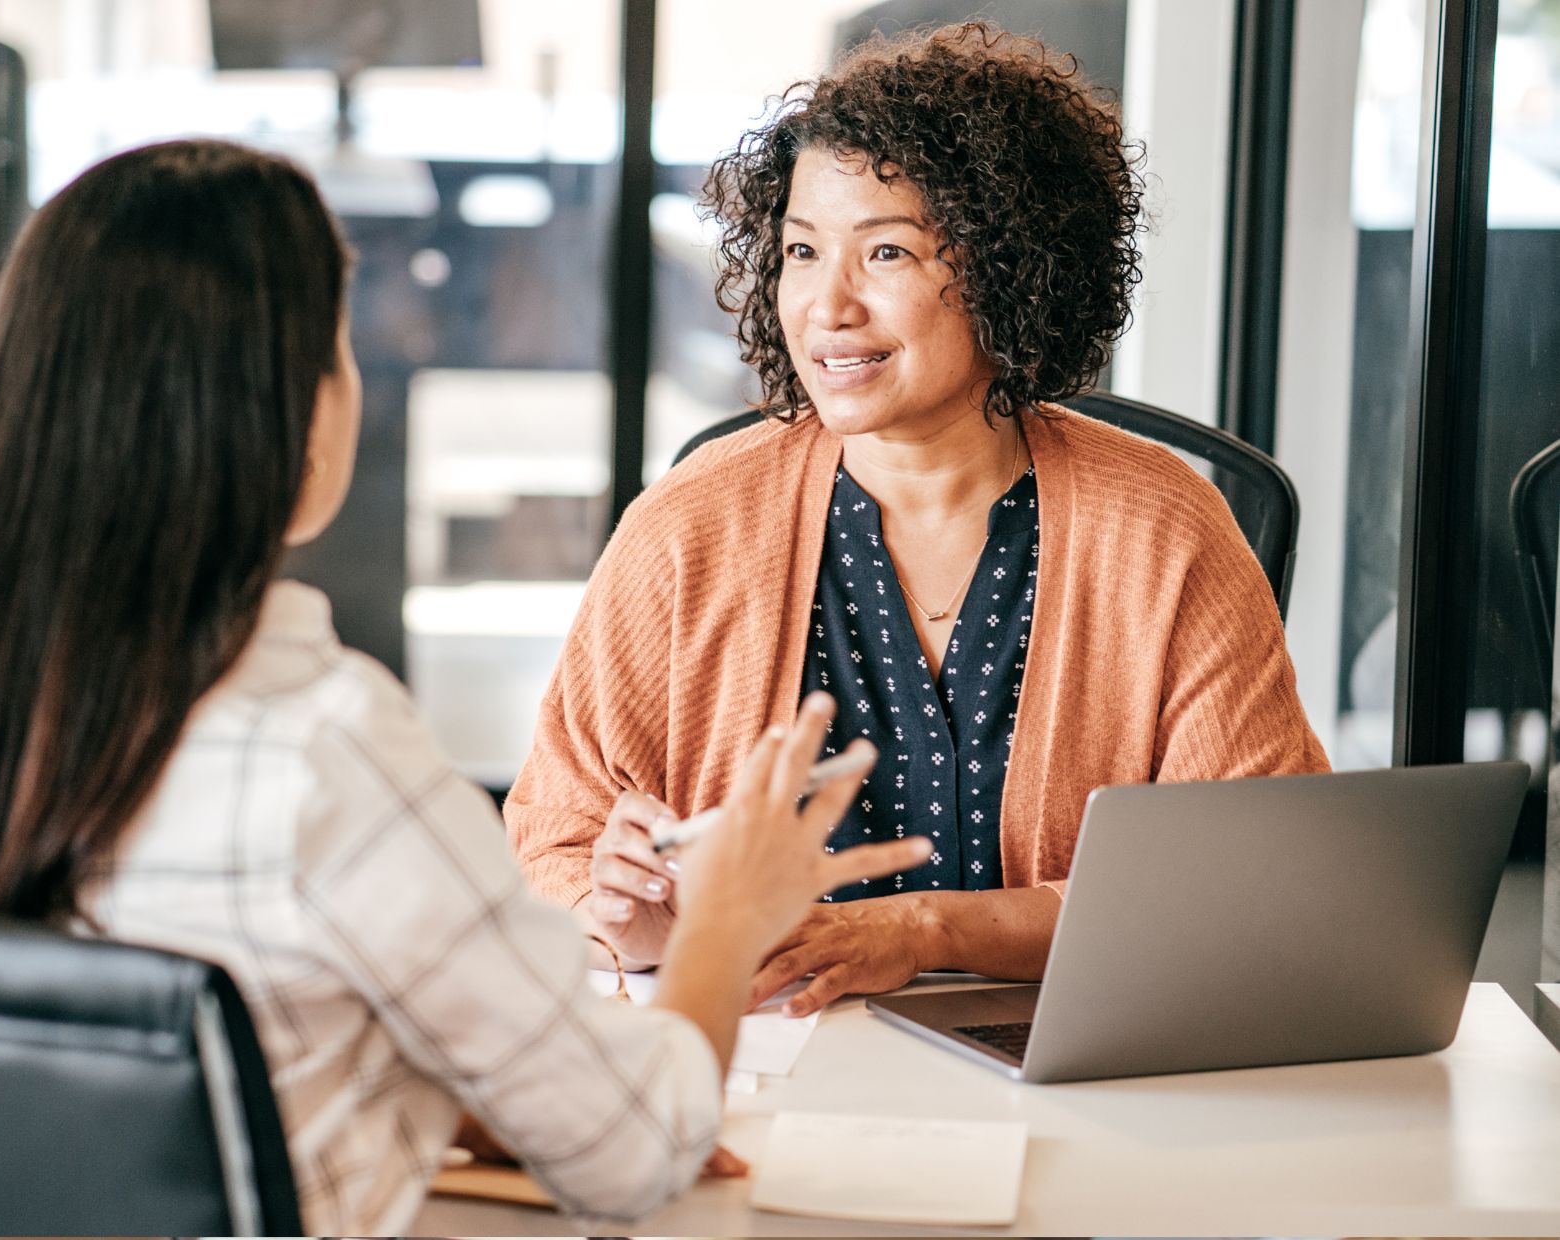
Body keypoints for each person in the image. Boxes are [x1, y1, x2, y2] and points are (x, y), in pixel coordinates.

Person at [0, 140, 928, 1234]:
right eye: (339, 348)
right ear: (288, 417)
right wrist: (724, 920)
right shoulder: (321, 750)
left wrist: (455, 1094)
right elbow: (636, 1151)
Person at [507, 23, 1328, 1017]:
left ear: (1005, 265)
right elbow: (555, 838)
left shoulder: (1162, 527)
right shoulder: (687, 525)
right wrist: (627, 917)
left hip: (1066, 1058)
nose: (826, 305)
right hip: (756, 1050)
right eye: (801, 251)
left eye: (884, 250)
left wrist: (930, 930)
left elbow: (1243, 881)